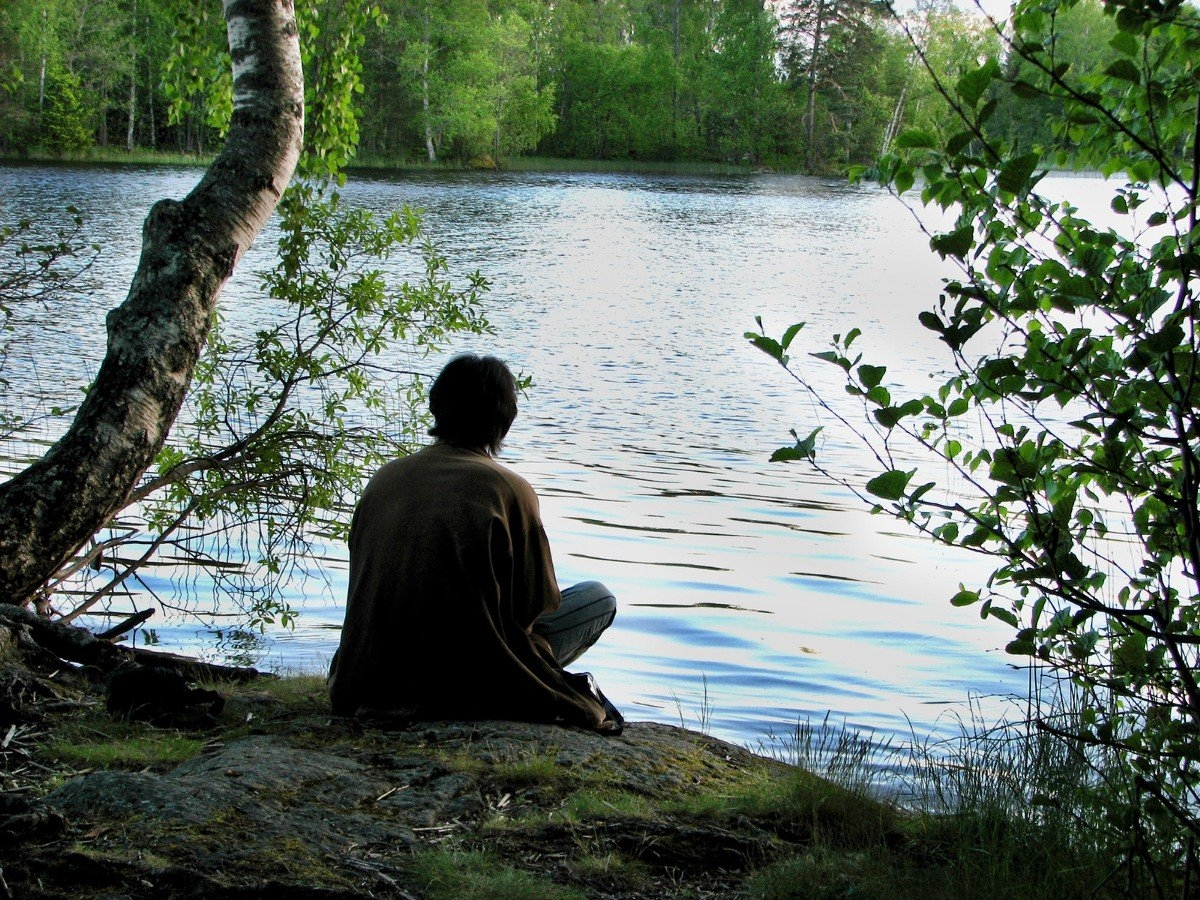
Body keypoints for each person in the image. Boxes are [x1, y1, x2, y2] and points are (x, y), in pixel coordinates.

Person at [327, 353, 621, 732]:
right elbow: (531, 606)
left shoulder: (384, 479)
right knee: (598, 598)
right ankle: (509, 677)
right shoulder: (509, 489)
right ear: (505, 421)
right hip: (466, 681)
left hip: (364, 677)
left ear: (437, 408)